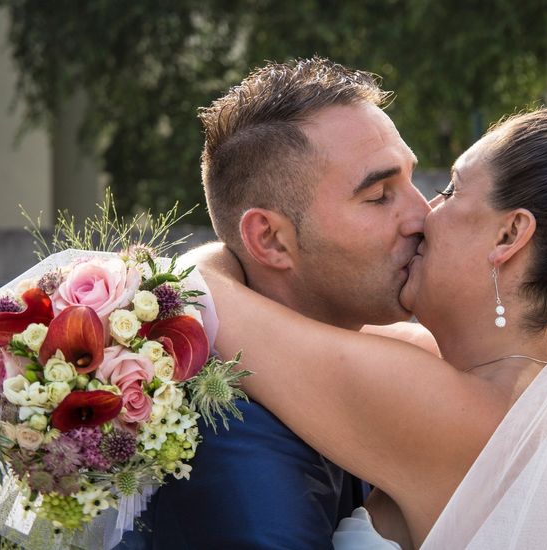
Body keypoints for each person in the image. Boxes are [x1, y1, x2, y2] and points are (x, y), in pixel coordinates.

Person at [193, 71, 547, 548]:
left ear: (509, 238)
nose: (424, 213)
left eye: (449, 189)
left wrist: (216, 252)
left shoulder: (454, 409)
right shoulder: (531, 397)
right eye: (380, 194)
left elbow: (202, 294)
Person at [118, 57, 431, 549]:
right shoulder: (236, 442)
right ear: (270, 240)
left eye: (412, 181)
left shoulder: (377, 363)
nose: (423, 216)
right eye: (378, 196)